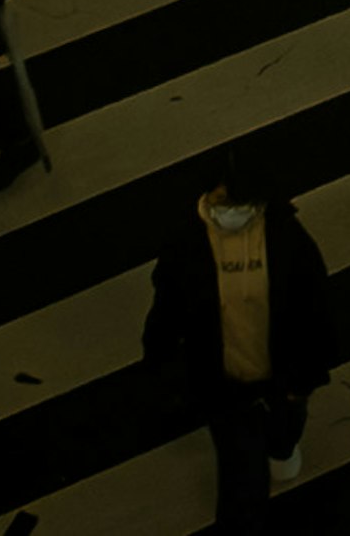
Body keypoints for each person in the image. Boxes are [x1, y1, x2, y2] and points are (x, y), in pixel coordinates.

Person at [140, 159, 335, 523]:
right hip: (224, 385)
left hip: (281, 372)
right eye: (223, 203)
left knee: (285, 427)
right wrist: (158, 361)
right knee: (241, 482)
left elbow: (314, 305)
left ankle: (282, 443)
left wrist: (305, 377)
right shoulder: (187, 244)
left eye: (239, 205)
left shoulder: (284, 237)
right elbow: (167, 307)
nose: (230, 214)